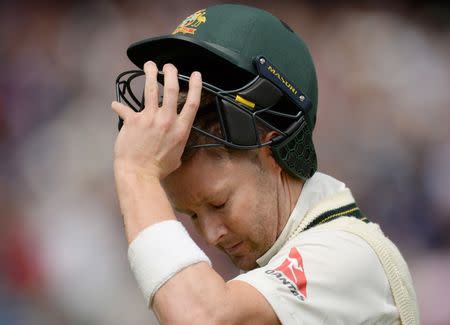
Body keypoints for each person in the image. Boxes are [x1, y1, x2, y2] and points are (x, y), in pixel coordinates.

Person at [112, 4, 419, 324]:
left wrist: (136, 173)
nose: (210, 235)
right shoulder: (268, 276)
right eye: (192, 216)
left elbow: (199, 318)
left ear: (273, 149)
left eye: (219, 203)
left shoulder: (346, 253)